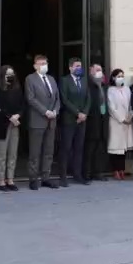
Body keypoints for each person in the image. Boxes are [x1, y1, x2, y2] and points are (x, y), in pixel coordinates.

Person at [25, 54, 60, 190]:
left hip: (52, 120)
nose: (43, 66)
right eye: (40, 63)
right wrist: (45, 111)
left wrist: (55, 111)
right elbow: (31, 98)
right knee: (35, 151)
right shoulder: (30, 79)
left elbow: (57, 97)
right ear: (35, 66)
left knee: (48, 151)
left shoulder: (51, 79)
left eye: (45, 63)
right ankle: (33, 178)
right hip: (38, 120)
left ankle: (46, 176)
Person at [58, 57, 90, 186]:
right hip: (69, 119)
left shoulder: (84, 80)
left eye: (80, 66)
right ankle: (63, 176)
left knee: (79, 148)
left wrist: (84, 113)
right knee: (66, 148)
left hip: (82, 120)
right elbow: (64, 100)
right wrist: (77, 113)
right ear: (70, 67)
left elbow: (88, 98)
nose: (79, 68)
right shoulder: (64, 81)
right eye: (76, 66)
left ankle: (78, 174)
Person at [0, 65, 24, 191]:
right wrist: (9, 117)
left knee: (12, 154)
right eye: (7, 74)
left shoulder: (17, 88)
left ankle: (10, 179)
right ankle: (1, 181)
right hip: (2, 125)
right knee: (2, 155)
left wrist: (18, 116)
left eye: (12, 74)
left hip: (15, 124)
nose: (10, 77)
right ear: (2, 75)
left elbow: (23, 104)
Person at [106, 69, 133, 179]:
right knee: (115, 147)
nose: (121, 78)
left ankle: (122, 169)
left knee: (124, 148)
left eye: (122, 76)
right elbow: (111, 107)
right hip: (116, 122)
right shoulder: (111, 90)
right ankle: (115, 170)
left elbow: (131, 104)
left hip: (127, 122)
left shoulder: (127, 89)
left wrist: (130, 116)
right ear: (113, 78)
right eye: (118, 76)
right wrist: (121, 119)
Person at [83, 64, 109, 182]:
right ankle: (87, 173)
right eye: (97, 70)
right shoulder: (87, 84)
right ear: (91, 71)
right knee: (90, 148)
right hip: (92, 120)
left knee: (100, 148)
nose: (100, 72)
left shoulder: (102, 85)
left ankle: (98, 172)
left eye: (101, 70)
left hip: (102, 119)